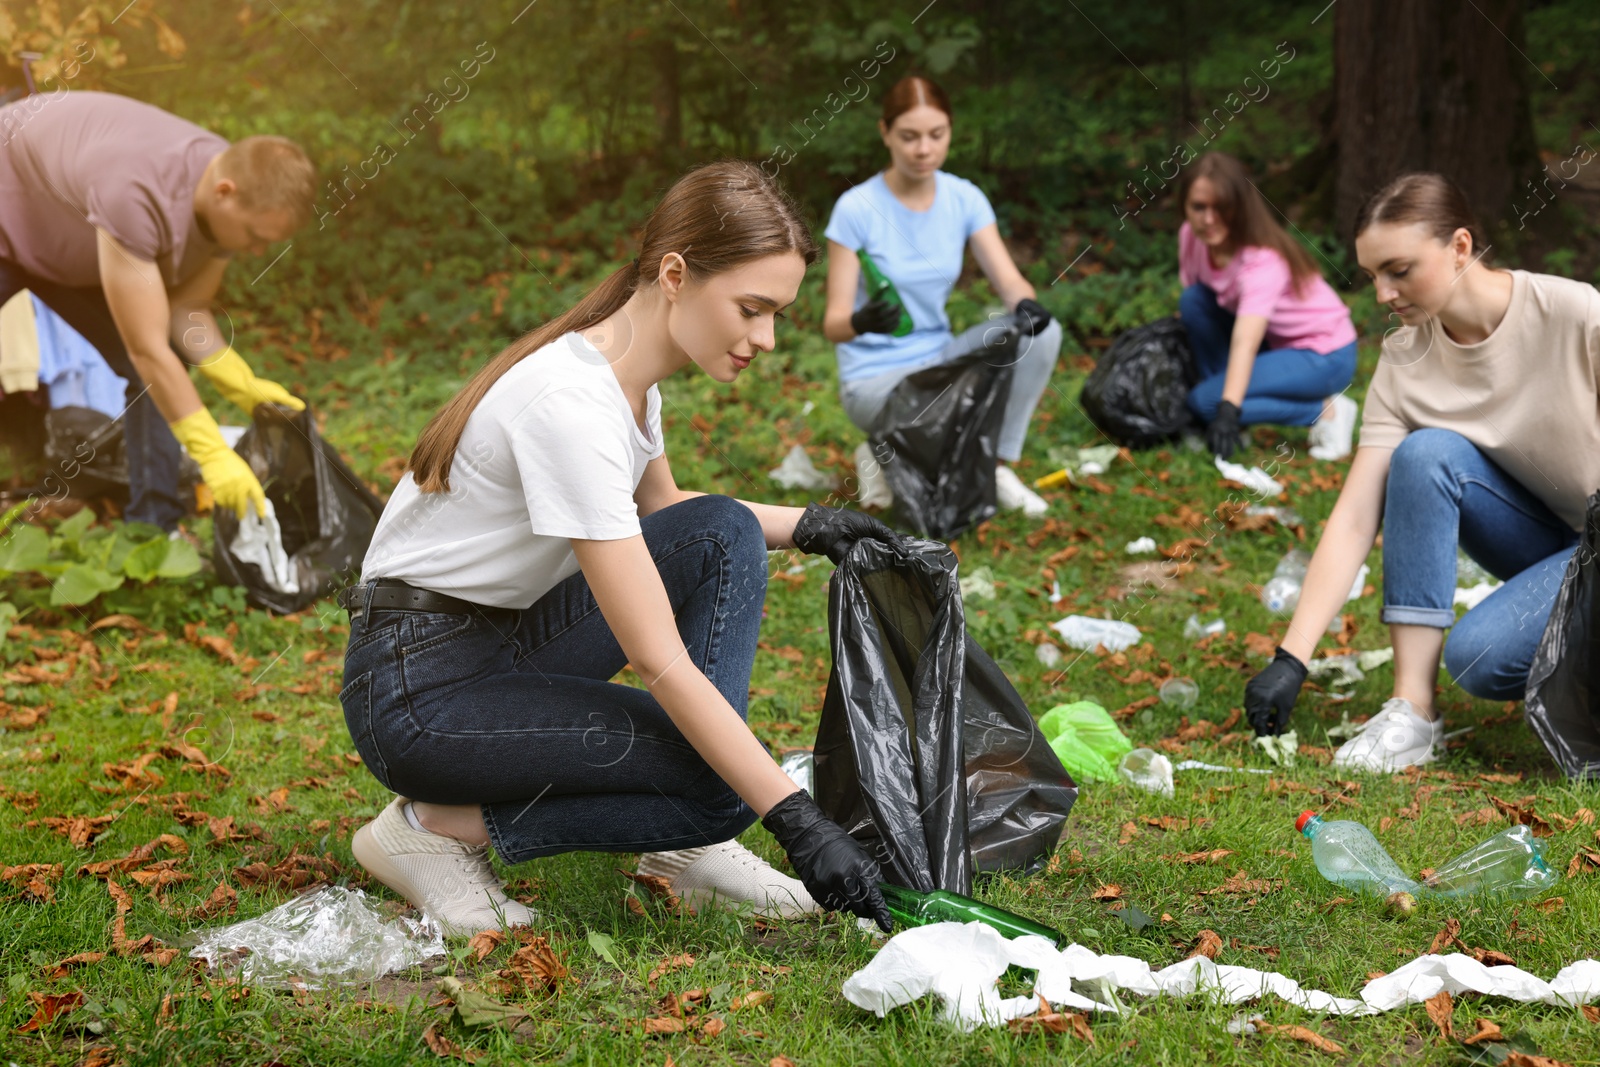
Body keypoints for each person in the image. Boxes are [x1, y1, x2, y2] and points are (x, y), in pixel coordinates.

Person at [338, 160, 897, 937]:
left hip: (495, 643)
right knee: (725, 783)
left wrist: (811, 523)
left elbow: (671, 513)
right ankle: (433, 827)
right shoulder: (573, 404)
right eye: (752, 309)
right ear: (676, 274)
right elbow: (660, 659)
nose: (765, 338)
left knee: (720, 528)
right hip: (418, 694)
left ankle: (690, 832)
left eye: (777, 316)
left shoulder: (629, 381)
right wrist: (795, 818)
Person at [1243, 172, 1600, 772]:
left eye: (1399, 270)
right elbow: (1357, 515)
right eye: (1372, 275)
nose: (1383, 292)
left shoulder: (1574, 313)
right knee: (1423, 455)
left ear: (1460, 247)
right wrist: (1292, 658)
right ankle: (1412, 711)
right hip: (1555, 546)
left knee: (1479, 652)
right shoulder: (1406, 360)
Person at [0, 90, 315, 531]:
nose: (258, 249)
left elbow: (187, 310)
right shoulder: (135, 190)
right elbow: (148, 347)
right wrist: (211, 451)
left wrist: (239, 380)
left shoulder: (224, 188)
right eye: (254, 235)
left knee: (149, 372)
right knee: (149, 359)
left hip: (59, 242)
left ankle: (152, 530)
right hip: (8, 199)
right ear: (225, 193)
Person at [821, 75, 1062, 516]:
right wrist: (861, 321)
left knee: (1040, 334)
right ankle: (883, 452)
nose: (923, 150)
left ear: (951, 131)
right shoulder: (856, 208)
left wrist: (1025, 304)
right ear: (885, 133)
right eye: (909, 137)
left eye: (936, 135)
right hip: (876, 381)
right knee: (934, 425)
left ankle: (996, 465)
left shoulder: (964, 199)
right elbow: (834, 325)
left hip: (938, 359)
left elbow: (1009, 283)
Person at [1176, 152, 1360, 461]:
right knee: (1194, 300)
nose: (1208, 219)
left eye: (1221, 208)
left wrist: (1227, 408)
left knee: (1204, 402)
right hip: (1275, 345)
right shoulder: (1192, 238)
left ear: (1241, 207)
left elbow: (1244, 343)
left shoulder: (1262, 260)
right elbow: (1202, 313)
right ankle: (1232, 414)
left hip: (1325, 353)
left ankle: (1326, 411)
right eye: (1199, 207)